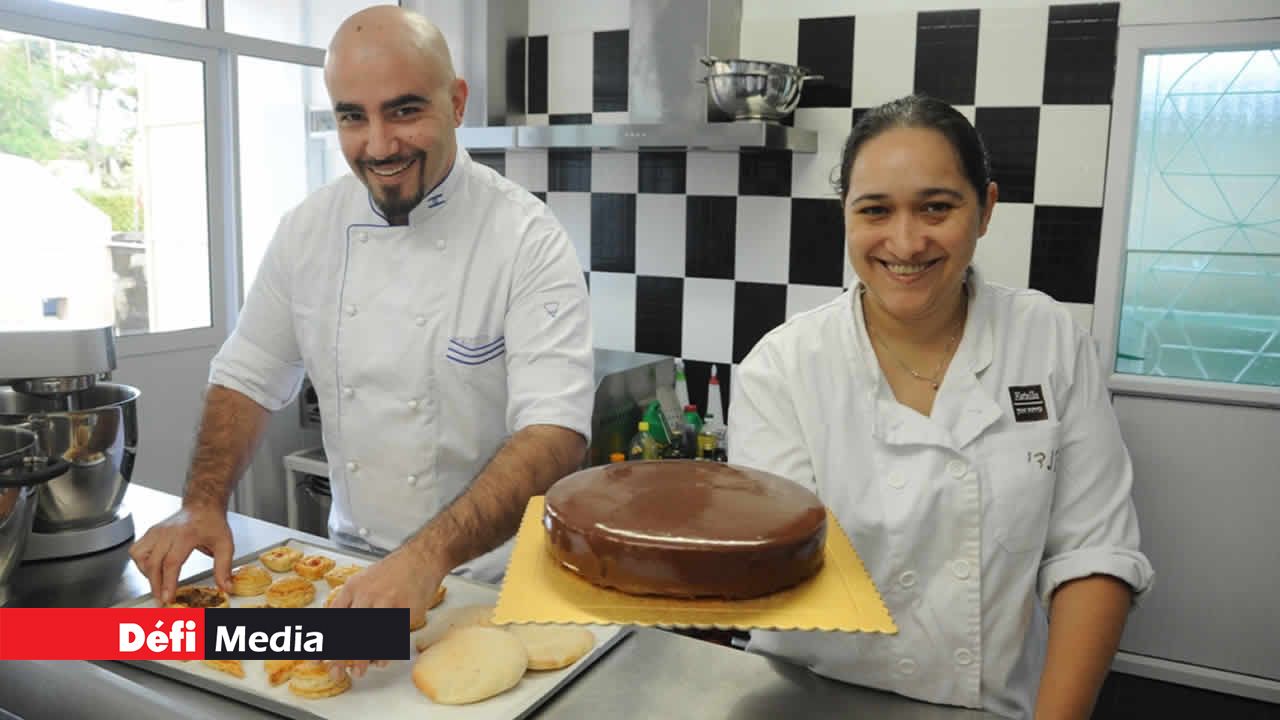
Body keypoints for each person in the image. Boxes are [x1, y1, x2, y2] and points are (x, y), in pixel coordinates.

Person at [129, 4, 592, 667]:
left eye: (404, 111)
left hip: (490, 585)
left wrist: (426, 557)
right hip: (345, 572)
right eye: (353, 116)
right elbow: (248, 373)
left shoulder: (526, 239)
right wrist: (201, 503)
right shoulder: (307, 230)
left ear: (457, 103)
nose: (378, 146)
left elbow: (555, 432)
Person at [728, 95, 1153, 719]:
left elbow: (1093, 554)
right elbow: (775, 564)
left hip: (993, 705)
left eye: (936, 207)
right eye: (875, 210)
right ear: (846, 215)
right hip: (807, 697)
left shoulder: (1048, 340)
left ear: (986, 210)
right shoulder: (783, 367)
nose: (905, 242)